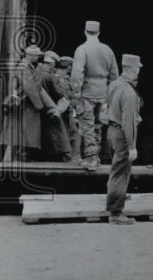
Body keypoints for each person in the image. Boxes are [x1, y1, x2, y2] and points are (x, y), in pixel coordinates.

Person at [71, 20, 119, 171]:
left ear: (85, 32)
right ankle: (95, 156)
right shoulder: (108, 50)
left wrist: (76, 94)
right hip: (103, 92)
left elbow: (77, 73)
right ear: (99, 32)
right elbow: (114, 75)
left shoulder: (82, 50)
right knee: (98, 125)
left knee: (87, 125)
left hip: (87, 92)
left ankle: (91, 158)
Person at [1, 45, 60, 162]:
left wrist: (52, 106)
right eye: (37, 56)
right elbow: (31, 89)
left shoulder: (34, 67)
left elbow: (39, 89)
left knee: (22, 136)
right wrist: (41, 106)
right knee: (18, 136)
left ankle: (17, 160)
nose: (38, 57)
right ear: (30, 55)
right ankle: (13, 161)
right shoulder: (23, 68)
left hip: (28, 106)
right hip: (21, 106)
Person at [104, 53, 143, 225]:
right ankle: (115, 212)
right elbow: (128, 123)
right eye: (137, 69)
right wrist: (132, 146)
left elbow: (106, 107)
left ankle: (117, 195)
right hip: (122, 135)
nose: (138, 72)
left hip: (111, 130)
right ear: (131, 69)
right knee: (120, 172)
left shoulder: (114, 84)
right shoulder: (129, 92)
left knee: (117, 170)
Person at [35, 51, 72, 161]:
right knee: (60, 135)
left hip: (39, 110)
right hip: (52, 110)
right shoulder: (50, 77)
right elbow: (60, 94)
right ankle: (64, 155)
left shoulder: (35, 73)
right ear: (51, 64)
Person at [55, 55, 81, 161]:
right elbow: (66, 94)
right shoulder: (63, 78)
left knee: (66, 134)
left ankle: (69, 156)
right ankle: (73, 157)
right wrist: (75, 93)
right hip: (65, 110)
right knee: (74, 134)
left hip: (62, 110)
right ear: (69, 67)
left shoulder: (56, 75)